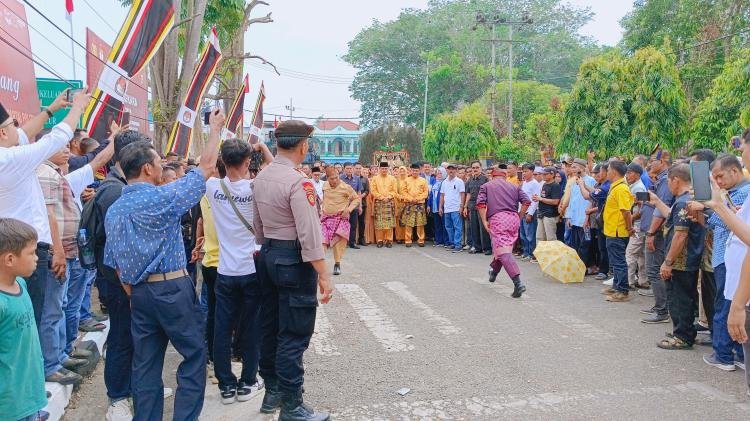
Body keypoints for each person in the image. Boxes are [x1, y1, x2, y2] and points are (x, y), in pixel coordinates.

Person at [103, 110, 226, 420]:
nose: (163, 167)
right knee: (194, 354)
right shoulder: (162, 198)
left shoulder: (114, 211)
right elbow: (208, 167)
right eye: (159, 163)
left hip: (139, 294)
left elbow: (115, 264)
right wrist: (215, 129)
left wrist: (135, 293)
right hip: (172, 289)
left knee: (145, 364)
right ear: (147, 168)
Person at [252, 120, 333, 420]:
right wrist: (323, 273)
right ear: (302, 146)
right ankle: (292, 405)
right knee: (294, 334)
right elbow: (309, 234)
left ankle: (273, 392)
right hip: (293, 262)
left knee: (270, 326)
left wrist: (269, 245)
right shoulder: (299, 182)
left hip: (268, 253)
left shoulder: (261, 178)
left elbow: (258, 227)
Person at [0, 91, 88, 329]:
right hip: (23, 250)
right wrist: (78, 107)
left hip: (10, 248)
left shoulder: (9, 155)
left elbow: (23, 134)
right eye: (12, 125)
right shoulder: (10, 160)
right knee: (31, 320)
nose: (19, 131)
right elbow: (55, 139)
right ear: (3, 133)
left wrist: (51, 109)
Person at [36, 128, 115, 385]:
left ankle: (61, 353)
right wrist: (57, 250)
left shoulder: (58, 174)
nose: (67, 149)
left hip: (70, 248)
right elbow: (49, 217)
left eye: (68, 145)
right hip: (57, 251)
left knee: (61, 305)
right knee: (52, 310)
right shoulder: (44, 174)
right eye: (61, 146)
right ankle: (51, 363)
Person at [205, 138, 273, 404]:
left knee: (222, 328)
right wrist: (261, 149)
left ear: (223, 161)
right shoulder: (255, 187)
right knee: (252, 326)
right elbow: (273, 164)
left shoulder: (212, 187)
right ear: (247, 163)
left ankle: (226, 385)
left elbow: (205, 164)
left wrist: (216, 131)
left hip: (225, 270)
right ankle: (247, 382)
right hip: (251, 268)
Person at [89, 129, 150, 420]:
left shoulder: (118, 185)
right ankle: (118, 396)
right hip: (117, 281)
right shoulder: (115, 191)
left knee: (132, 335)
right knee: (122, 337)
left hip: (124, 279)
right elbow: (118, 244)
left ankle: (136, 388)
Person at [689, 153, 750, 370]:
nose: (719, 182)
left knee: (727, 307)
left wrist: (713, 207)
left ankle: (723, 354)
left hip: (732, 260)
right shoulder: (732, 193)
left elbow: (723, 223)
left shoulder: (744, 192)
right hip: (726, 257)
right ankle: (738, 354)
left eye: (720, 176)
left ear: (735, 170)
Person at [647, 164, 705, 349]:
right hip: (688, 258)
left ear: (675, 180)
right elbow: (672, 217)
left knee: (679, 298)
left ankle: (682, 336)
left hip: (681, 259)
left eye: (668, 181)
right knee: (685, 297)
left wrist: (668, 262)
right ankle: (685, 331)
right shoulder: (686, 200)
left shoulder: (682, 202)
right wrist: (656, 202)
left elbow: (680, 235)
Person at [477, 168, 531, 297]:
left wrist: (484, 221)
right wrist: (519, 216)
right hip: (513, 219)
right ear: (505, 177)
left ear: (492, 176)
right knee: (502, 249)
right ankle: (493, 272)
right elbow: (527, 201)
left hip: (498, 219)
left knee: (503, 251)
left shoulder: (486, 186)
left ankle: (518, 283)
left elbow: (480, 204)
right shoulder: (514, 186)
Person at [640, 150, 674, 322]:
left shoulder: (667, 181)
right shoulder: (660, 179)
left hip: (658, 232)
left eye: (653, 160)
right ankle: (659, 305)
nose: (650, 163)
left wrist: (652, 233)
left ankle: (662, 310)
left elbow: (661, 210)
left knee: (654, 270)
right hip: (654, 230)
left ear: (663, 161)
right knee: (653, 269)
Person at [601, 160, 634, 302]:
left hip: (618, 231)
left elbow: (626, 212)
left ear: (614, 172)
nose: (606, 172)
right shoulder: (615, 187)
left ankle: (622, 291)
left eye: (608, 170)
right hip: (611, 229)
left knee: (619, 261)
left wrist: (629, 227)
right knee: (615, 261)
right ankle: (616, 286)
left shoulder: (621, 188)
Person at [321, 166, 360, 275]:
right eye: (332, 178)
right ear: (327, 178)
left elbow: (357, 199)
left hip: (340, 219)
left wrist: (348, 209)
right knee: (321, 242)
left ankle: (337, 264)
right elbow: (324, 198)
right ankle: (320, 266)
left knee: (338, 243)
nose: (335, 180)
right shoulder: (324, 186)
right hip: (326, 218)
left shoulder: (346, 187)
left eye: (336, 177)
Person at [624, 163, 647, 289]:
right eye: (627, 173)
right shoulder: (634, 186)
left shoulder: (638, 188)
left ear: (637, 174)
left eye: (630, 173)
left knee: (630, 253)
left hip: (638, 225)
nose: (627, 175)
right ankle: (643, 280)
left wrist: (630, 219)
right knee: (641, 254)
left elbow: (641, 210)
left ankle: (628, 281)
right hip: (639, 225)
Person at [465, 161, 491, 255]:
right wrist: (465, 206)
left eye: (477, 167)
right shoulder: (470, 180)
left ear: (480, 168)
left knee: (483, 227)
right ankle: (477, 247)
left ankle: (487, 248)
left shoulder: (485, 179)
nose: (475, 169)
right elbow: (468, 194)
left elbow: (489, 194)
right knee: (474, 227)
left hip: (482, 207)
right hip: (472, 206)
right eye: (473, 168)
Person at [400, 163, 429, 247]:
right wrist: (410, 198)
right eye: (413, 170)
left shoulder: (423, 180)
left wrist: (418, 198)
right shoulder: (407, 180)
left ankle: (421, 240)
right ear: (410, 171)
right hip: (409, 204)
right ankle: (408, 240)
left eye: (416, 171)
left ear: (419, 171)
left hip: (419, 204)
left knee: (420, 223)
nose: (415, 172)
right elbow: (404, 191)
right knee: (409, 223)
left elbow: (425, 192)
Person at [371, 162, 398, 248]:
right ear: (379, 169)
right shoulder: (375, 179)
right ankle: (380, 240)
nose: (384, 170)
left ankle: (389, 240)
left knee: (389, 222)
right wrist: (381, 197)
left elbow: (395, 191)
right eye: (382, 168)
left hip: (389, 202)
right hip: (379, 203)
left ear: (388, 169)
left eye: (385, 169)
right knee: (379, 222)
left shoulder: (392, 179)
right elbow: (373, 190)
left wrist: (389, 197)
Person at [440, 164, 466, 253]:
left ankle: (458, 245)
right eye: (449, 169)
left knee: (457, 227)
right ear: (446, 170)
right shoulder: (444, 182)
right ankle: (452, 243)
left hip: (456, 208)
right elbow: (442, 195)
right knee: (448, 227)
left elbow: (462, 194)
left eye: (453, 169)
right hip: (447, 208)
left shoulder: (459, 181)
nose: (451, 171)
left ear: (456, 170)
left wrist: (461, 206)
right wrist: (440, 207)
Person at [533, 167, 562, 246]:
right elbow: (544, 198)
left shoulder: (555, 185)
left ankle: (552, 258)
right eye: (542, 174)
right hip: (541, 214)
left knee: (551, 238)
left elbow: (556, 201)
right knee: (539, 237)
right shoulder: (545, 184)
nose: (543, 176)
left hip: (550, 215)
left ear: (552, 174)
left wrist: (541, 199)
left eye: (545, 174)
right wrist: (538, 198)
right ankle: (540, 257)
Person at [520, 163, 542, 260]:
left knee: (530, 234)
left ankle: (531, 254)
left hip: (529, 212)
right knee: (523, 234)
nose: (524, 173)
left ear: (532, 172)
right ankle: (525, 251)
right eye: (523, 171)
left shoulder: (535, 184)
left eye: (526, 171)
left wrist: (530, 213)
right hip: (522, 211)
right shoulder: (524, 183)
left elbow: (535, 200)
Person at [340, 163, 363, 249]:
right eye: (347, 168)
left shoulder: (357, 179)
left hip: (354, 206)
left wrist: (360, 206)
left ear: (352, 169)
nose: (349, 170)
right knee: (343, 225)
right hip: (343, 206)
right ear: (344, 169)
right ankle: (342, 243)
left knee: (353, 224)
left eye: (350, 168)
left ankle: (352, 243)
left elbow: (359, 193)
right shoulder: (340, 178)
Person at [429, 167, 447, 247]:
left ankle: (445, 241)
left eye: (441, 173)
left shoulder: (445, 183)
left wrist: (442, 206)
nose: (439, 175)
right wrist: (428, 205)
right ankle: (438, 240)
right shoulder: (434, 182)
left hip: (442, 207)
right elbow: (431, 195)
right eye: (438, 173)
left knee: (444, 224)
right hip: (434, 207)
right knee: (437, 224)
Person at [354, 163, 370, 246]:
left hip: (362, 203)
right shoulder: (351, 179)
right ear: (354, 169)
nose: (358, 170)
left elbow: (367, 190)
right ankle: (352, 239)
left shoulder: (364, 179)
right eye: (356, 168)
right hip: (352, 204)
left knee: (361, 222)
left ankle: (361, 238)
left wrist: (361, 196)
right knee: (352, 222)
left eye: (359, 168)